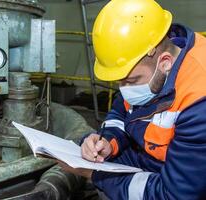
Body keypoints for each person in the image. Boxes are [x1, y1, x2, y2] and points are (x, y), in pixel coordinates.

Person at [58, 0, 206, 199]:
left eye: (131, 80)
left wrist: (95, 175)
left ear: (165, 63)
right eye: (120, 81)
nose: (124, 89)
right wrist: (108, 141)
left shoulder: (199, 102)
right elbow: (122, 112)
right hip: (157, 162)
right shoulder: (150, 72)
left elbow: (174, 195)